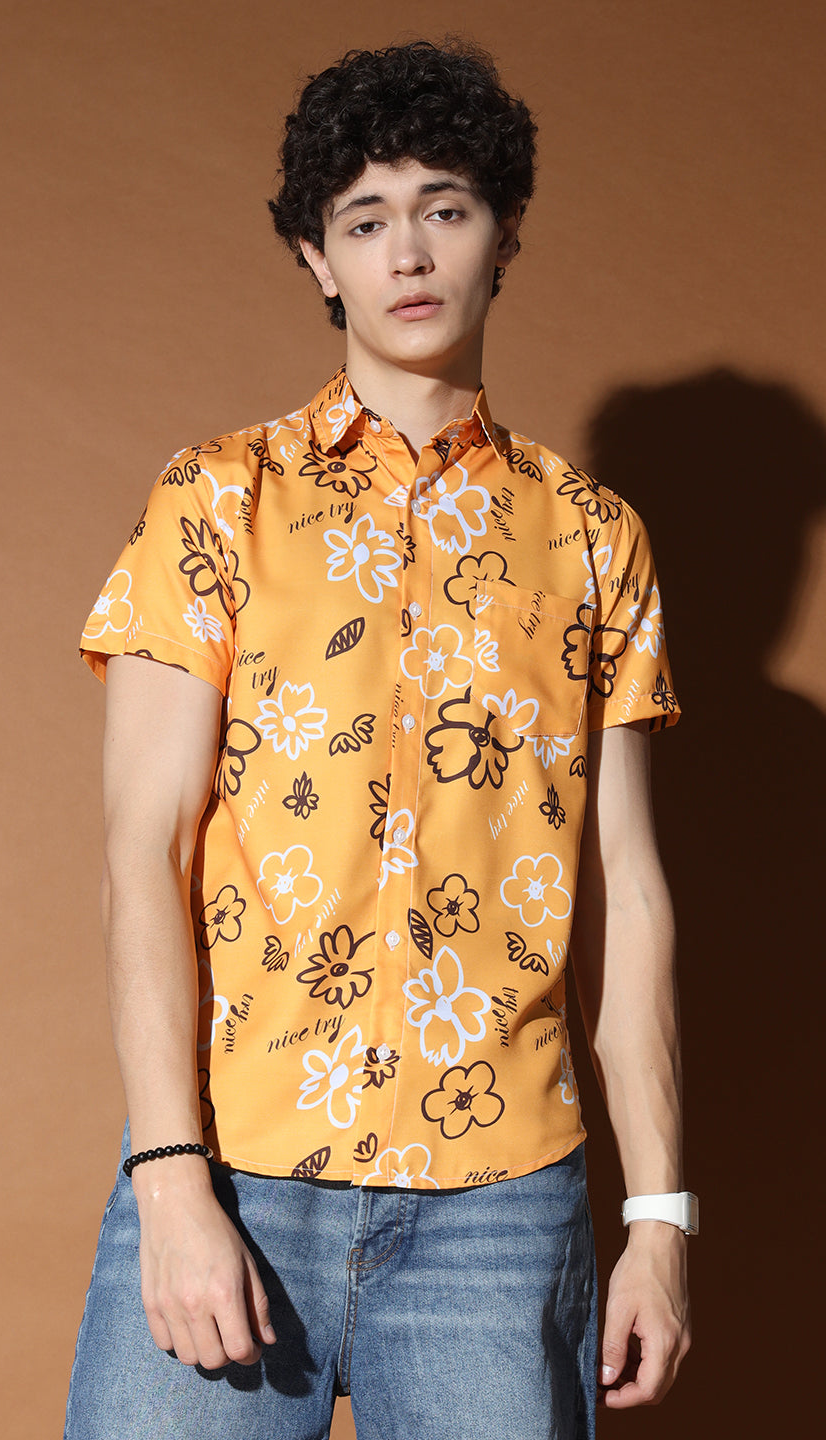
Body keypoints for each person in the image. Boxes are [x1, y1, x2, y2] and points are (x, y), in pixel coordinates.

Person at [65, 37, 694, 1440]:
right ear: (317, 257)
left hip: (503, 1211)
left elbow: (632, 894)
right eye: (364, 220)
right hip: (239, 1173)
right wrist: (170, 1180)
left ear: (504, 233)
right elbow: (144, 849)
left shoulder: (594, 539)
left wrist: (659, 1220)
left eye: (444, 208)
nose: (407, 253)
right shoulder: (215, 500)